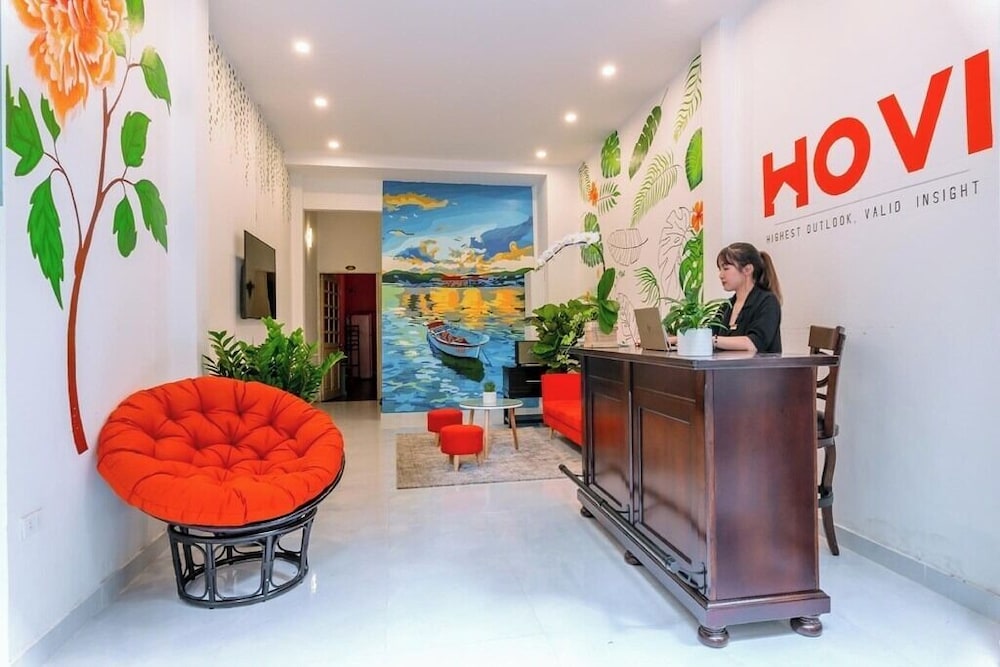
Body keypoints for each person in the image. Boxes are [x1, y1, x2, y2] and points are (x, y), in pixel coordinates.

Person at [711, 242, 783, 353]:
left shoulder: (768, 302)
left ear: (748, 269)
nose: (721, 275)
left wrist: (713, 341)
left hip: (758, 365)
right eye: (720, 269)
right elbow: (707, 334)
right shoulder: (726, 306)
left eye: (726, 269)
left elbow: (753, 343)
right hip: (727, 364)